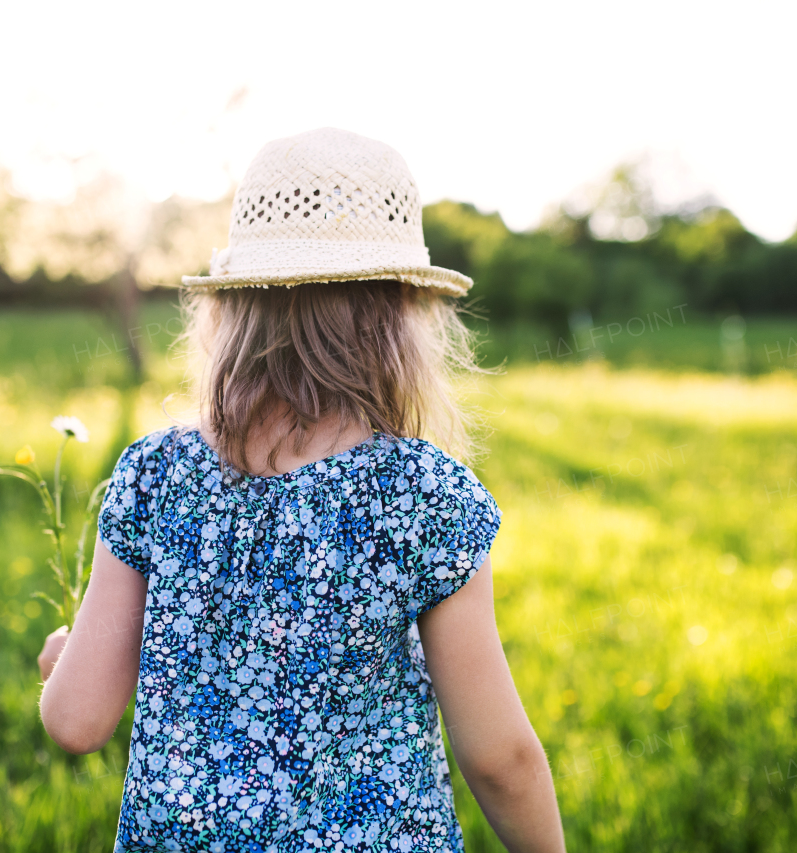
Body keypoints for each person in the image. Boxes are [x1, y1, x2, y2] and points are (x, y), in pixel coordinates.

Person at [37, 127, 566, 853]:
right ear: (401, 318)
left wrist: (61, 657)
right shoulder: (423, 497)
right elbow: (501, 758)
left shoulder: (154, 476)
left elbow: (76, 719)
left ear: (233, 310)